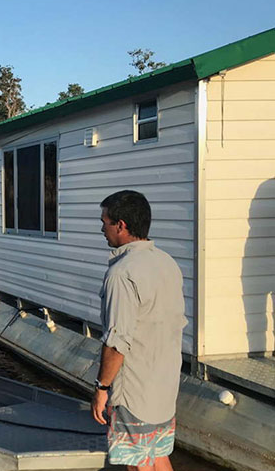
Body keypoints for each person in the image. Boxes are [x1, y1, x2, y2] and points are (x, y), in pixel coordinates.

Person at [91, 191, 187, 471]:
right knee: (158, 455)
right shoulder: (167, 263)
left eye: (105, 222)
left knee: (137, 464)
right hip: (164, 388)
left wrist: (102, 388)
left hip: (134, 391)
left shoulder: (122, 273)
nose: (102, 228)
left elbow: (117, 342)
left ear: (121, 225)